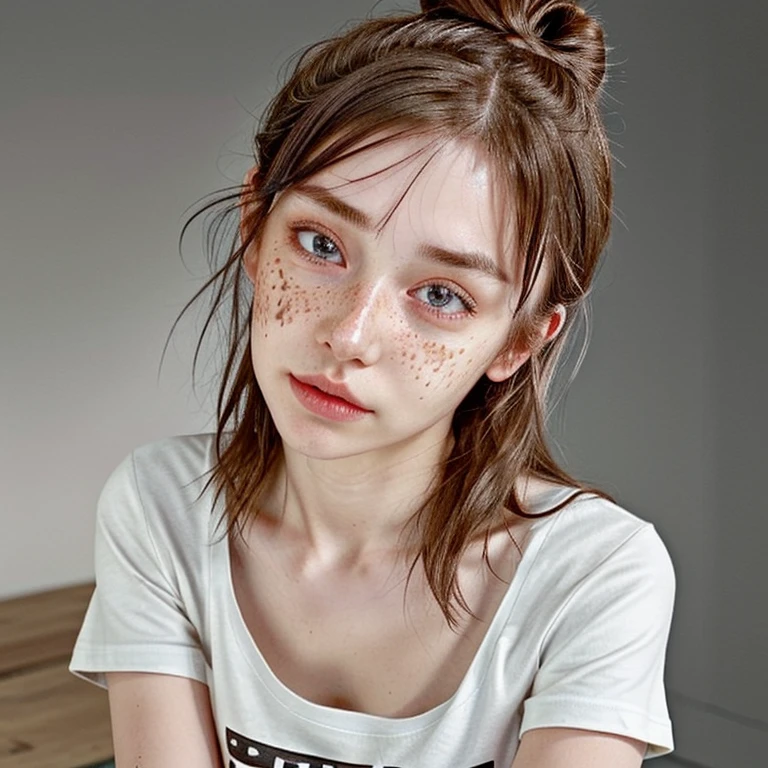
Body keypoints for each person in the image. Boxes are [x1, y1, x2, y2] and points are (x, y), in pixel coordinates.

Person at [69, 1, 676, 766]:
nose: (349, 337)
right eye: (322, 243)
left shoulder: (593, 575)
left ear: (520, 340)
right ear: (255, 224)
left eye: (442, 295)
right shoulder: (163, 509)